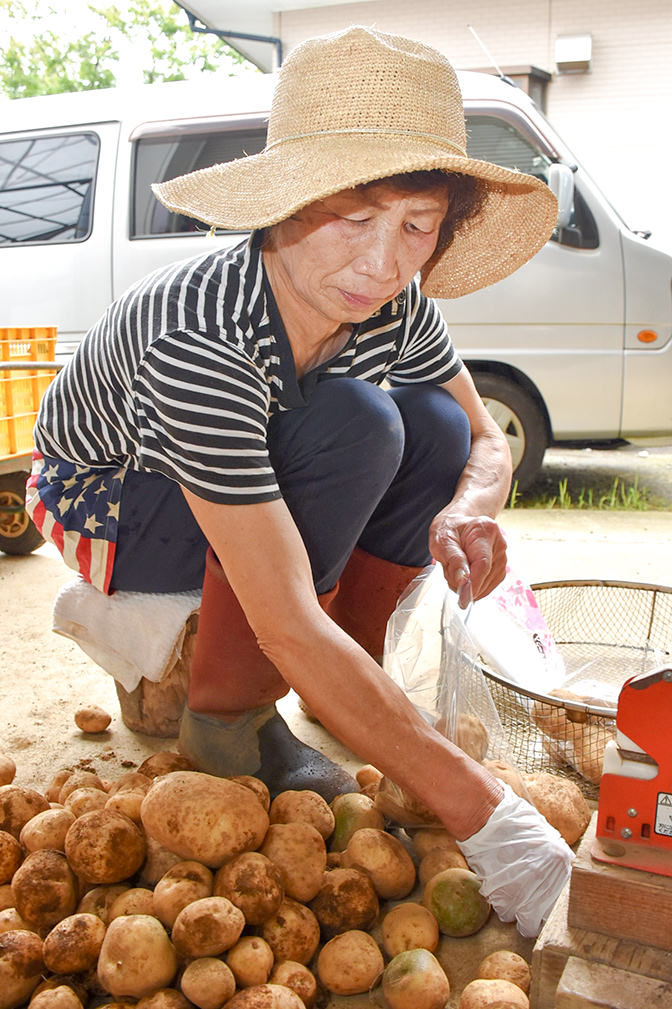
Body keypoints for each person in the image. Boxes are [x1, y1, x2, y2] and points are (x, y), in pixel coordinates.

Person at [27, 26, 573, 936]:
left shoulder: (392, 305)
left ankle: (342, 683)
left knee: (428, 425)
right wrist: (490, 815)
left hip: (214, 472)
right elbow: (280, 611)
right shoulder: (200, 332)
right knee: (360, 424)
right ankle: (225, 720)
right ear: (281, 206)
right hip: (107, 493)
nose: (382, 263)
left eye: (415, 226)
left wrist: (472, 509)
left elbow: (483, 435)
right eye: (353, 219)